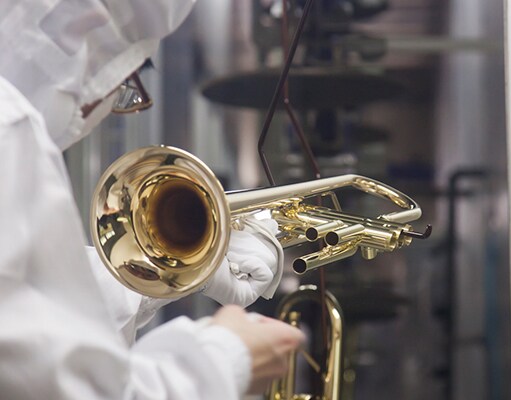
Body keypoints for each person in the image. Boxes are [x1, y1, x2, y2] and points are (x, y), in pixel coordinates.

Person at [0, 1, 305, 399]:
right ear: (88, 52)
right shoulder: (11, 131)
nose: (105, 108)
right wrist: (225, 359)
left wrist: (160, 273)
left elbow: (30, 313)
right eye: (126, 81)